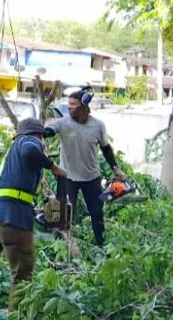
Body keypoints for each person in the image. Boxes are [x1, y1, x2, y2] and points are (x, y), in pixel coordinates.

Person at [0, 118, 68, 311]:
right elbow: (30, 151)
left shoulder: (12, 154)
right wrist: (53, 166)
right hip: (13, 218)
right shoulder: (29, 141)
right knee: (22, 275)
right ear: (40, 136)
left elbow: (13, 190)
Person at [45, 90, 126, 247]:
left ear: (84, 105)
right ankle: (60, 249)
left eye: (73, 105)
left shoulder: (97, 125)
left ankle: (101, 247)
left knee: (97, 214)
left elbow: (106, 148)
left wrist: (115, 168)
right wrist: (37, 131)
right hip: (67, 177)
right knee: (64, 216)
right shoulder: (62, 123)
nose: (69, 108)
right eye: (68, 105)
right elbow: (49, 131)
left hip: (91, 178)